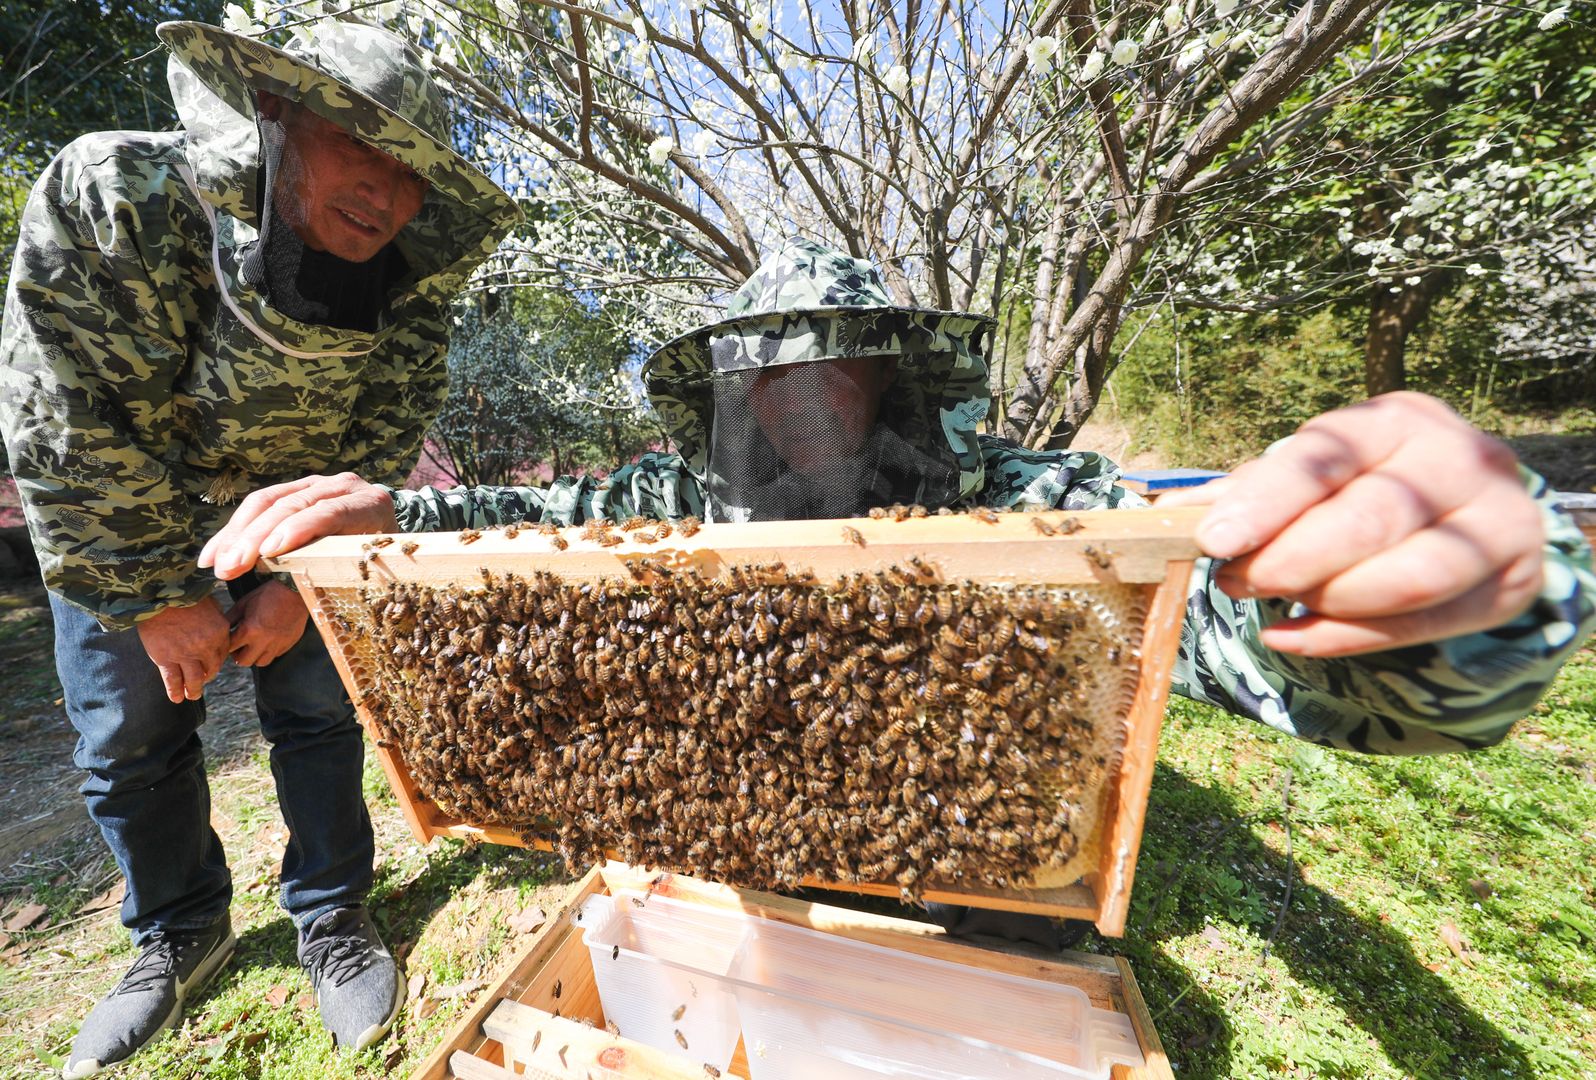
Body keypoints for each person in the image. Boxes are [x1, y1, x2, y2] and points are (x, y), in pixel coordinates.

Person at [202, 238, 1594, 935]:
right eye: (771, 377)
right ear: (732, 394)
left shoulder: (1027, 512)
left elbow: (1261, 630)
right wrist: (401, 515)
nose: (804, 402)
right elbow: (528, 523)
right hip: (726, 875)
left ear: (897, 379)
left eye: (837, 368)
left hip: (958, 894)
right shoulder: (670, 506)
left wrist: (1475, 612)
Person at [0, 16, 519, 1076]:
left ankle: (334, 913)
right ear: (276, 111)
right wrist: (152, 593)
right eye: (358, 146)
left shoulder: (410, 274)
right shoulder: (117, 193)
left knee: (321, 712)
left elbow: (384, 430)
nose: (385, 191)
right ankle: (180, 932)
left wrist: (295, 578)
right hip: (125, 519)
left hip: (298, 530)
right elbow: (58, 409)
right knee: (126, 740)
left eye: (412, 172)